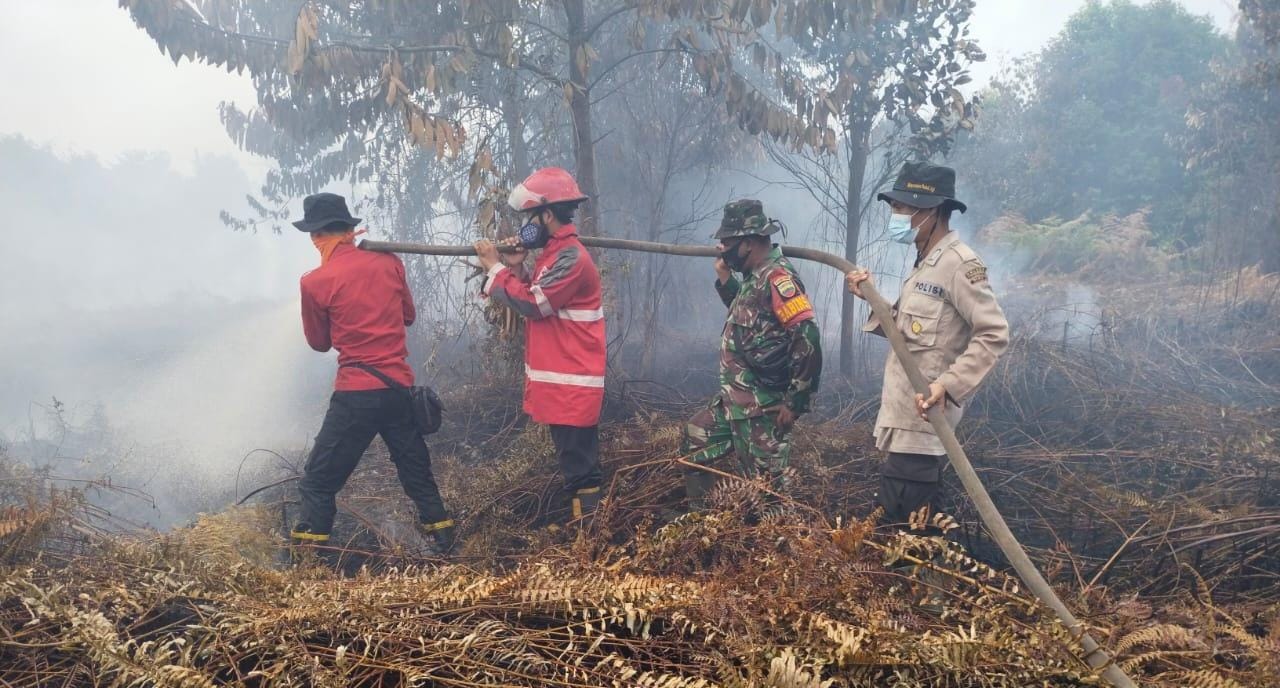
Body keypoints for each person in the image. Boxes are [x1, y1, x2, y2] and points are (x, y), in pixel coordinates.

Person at [846, 162, 1009, 531]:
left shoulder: (959, 265)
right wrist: (871, 298)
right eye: (893, 208)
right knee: (914, 524)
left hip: (924, 419)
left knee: (902, 527)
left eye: (903, 209)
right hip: (904, 416)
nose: (896, 216)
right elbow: (913, 332)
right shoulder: (925, 264)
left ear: (932, 211)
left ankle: (916, 584)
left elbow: (993, 333)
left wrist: (948, 386)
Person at [290, 192, 455, 554]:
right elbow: (407, 316)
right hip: (399, 390)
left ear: (316, 236)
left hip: (356, 396)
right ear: (349, 229)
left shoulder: (314, 282)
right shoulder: (388, 262)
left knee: (317, 483)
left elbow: (319, 343)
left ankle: (308, 565)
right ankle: (447, 546)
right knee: (418, 476)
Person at [474, 168, 607, 521]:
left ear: (547, 215)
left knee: (581, 469)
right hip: (565, 382)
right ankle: (586, 536)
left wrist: (494, 269)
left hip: (574, 383)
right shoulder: (557, 253)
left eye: (531, 217)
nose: (526, 226)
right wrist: (516, 270)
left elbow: (534, 305)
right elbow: (539, 294)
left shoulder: (571, 258)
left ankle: (591, 538)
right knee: (573, 463)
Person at [681, 199, 823, 509]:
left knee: (766, 495)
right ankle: (705, 530)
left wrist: (796, 401)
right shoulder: (754, 277)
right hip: (735, 403)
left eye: (728, 243)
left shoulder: (778, 278)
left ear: (748, 243)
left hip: (762, 407)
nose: (723, 248)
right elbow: (753, 323)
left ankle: (772, 547)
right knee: (695, 437)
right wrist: (724, 278)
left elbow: (807, 336)